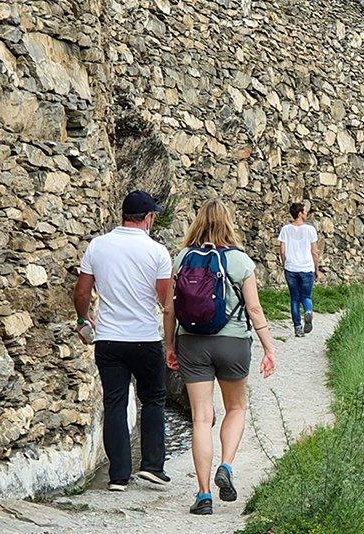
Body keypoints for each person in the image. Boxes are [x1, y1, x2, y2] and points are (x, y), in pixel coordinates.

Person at [164, 199, 277, 515]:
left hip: (192, 343)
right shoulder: (240, 261)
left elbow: (170, 308)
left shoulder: (183, 258)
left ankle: (203, 496)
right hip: (233, 344)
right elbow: (254, 309)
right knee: (236, 408)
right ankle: (226, 465)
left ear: (198, 223)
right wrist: (269, 348)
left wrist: (169, 346)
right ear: (228, 223)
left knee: (201, 417)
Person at [73, 190, 172, 492]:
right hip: (144, 337)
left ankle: (118, 476)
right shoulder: (157, 252)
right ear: (149, 217)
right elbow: (166, 301)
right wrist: (169, 342)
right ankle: (153, 467)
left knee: (114, 402)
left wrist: (83, 319)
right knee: (153, 399)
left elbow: (82, 292)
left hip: (109, 339)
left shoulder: (98, 246)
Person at [278, 202, 320, 337]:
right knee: (306, 296)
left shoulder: (285, 229)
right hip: (306, 267)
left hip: (291, 268)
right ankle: (308, 311)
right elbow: (314, 251)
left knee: (294, 298)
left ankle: (297, 327)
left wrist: (285, 264)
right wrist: (316, 268)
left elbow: (282, 251)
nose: (306, 214)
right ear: (300, 213)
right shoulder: (310, 230)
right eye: (305, 211)